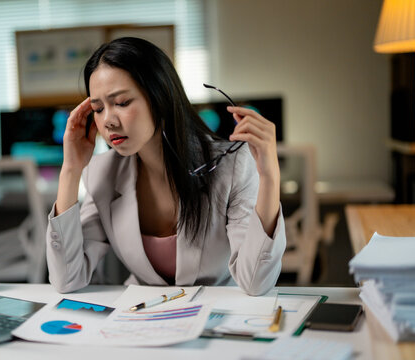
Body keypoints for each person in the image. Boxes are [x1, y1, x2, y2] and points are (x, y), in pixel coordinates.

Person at [46, 37, 286, 295]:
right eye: (98, 108)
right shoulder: (101, 173)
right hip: (141, 317)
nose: (108, 121)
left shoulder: (232, 165)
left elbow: (256, 282)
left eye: (122, 103)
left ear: (159, 97)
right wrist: (70, 170)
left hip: (215, 313)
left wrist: (269, 176)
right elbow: (66, 279)